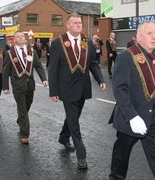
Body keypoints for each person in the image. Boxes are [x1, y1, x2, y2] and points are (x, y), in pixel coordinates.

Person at [109, 21, 155, 180]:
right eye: (149, 33)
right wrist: (133, 117)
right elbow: (120, 90)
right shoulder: (126, 57)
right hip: (132, 118)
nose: (154, 37)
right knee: (121, 157)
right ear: (138, 36)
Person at [48, 13, 106, 170]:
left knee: (73, 117)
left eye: (80, 22)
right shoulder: (58, 43)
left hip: (83, 89)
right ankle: (82, 155)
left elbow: (93, 63)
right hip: (66, 89)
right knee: (74, 122)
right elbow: (52, 69)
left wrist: (100, 79)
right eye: (75, 23)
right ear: (67, 25)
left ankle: (63, 137)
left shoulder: (86, 42)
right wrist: (53, 91)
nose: (79, 25)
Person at [2, 31, 48, 144]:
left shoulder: (31, 51)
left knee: (28, 105)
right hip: (17, 86)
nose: (21, 38)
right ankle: (25, 134)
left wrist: (44, 79)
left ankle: (20, 120)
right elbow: (5, 71)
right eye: (18, 36)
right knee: (22, 109)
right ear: (15, 40)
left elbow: (38, 66)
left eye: (22, 36)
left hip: (30, 84)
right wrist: (5, 87)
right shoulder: (10, 53)